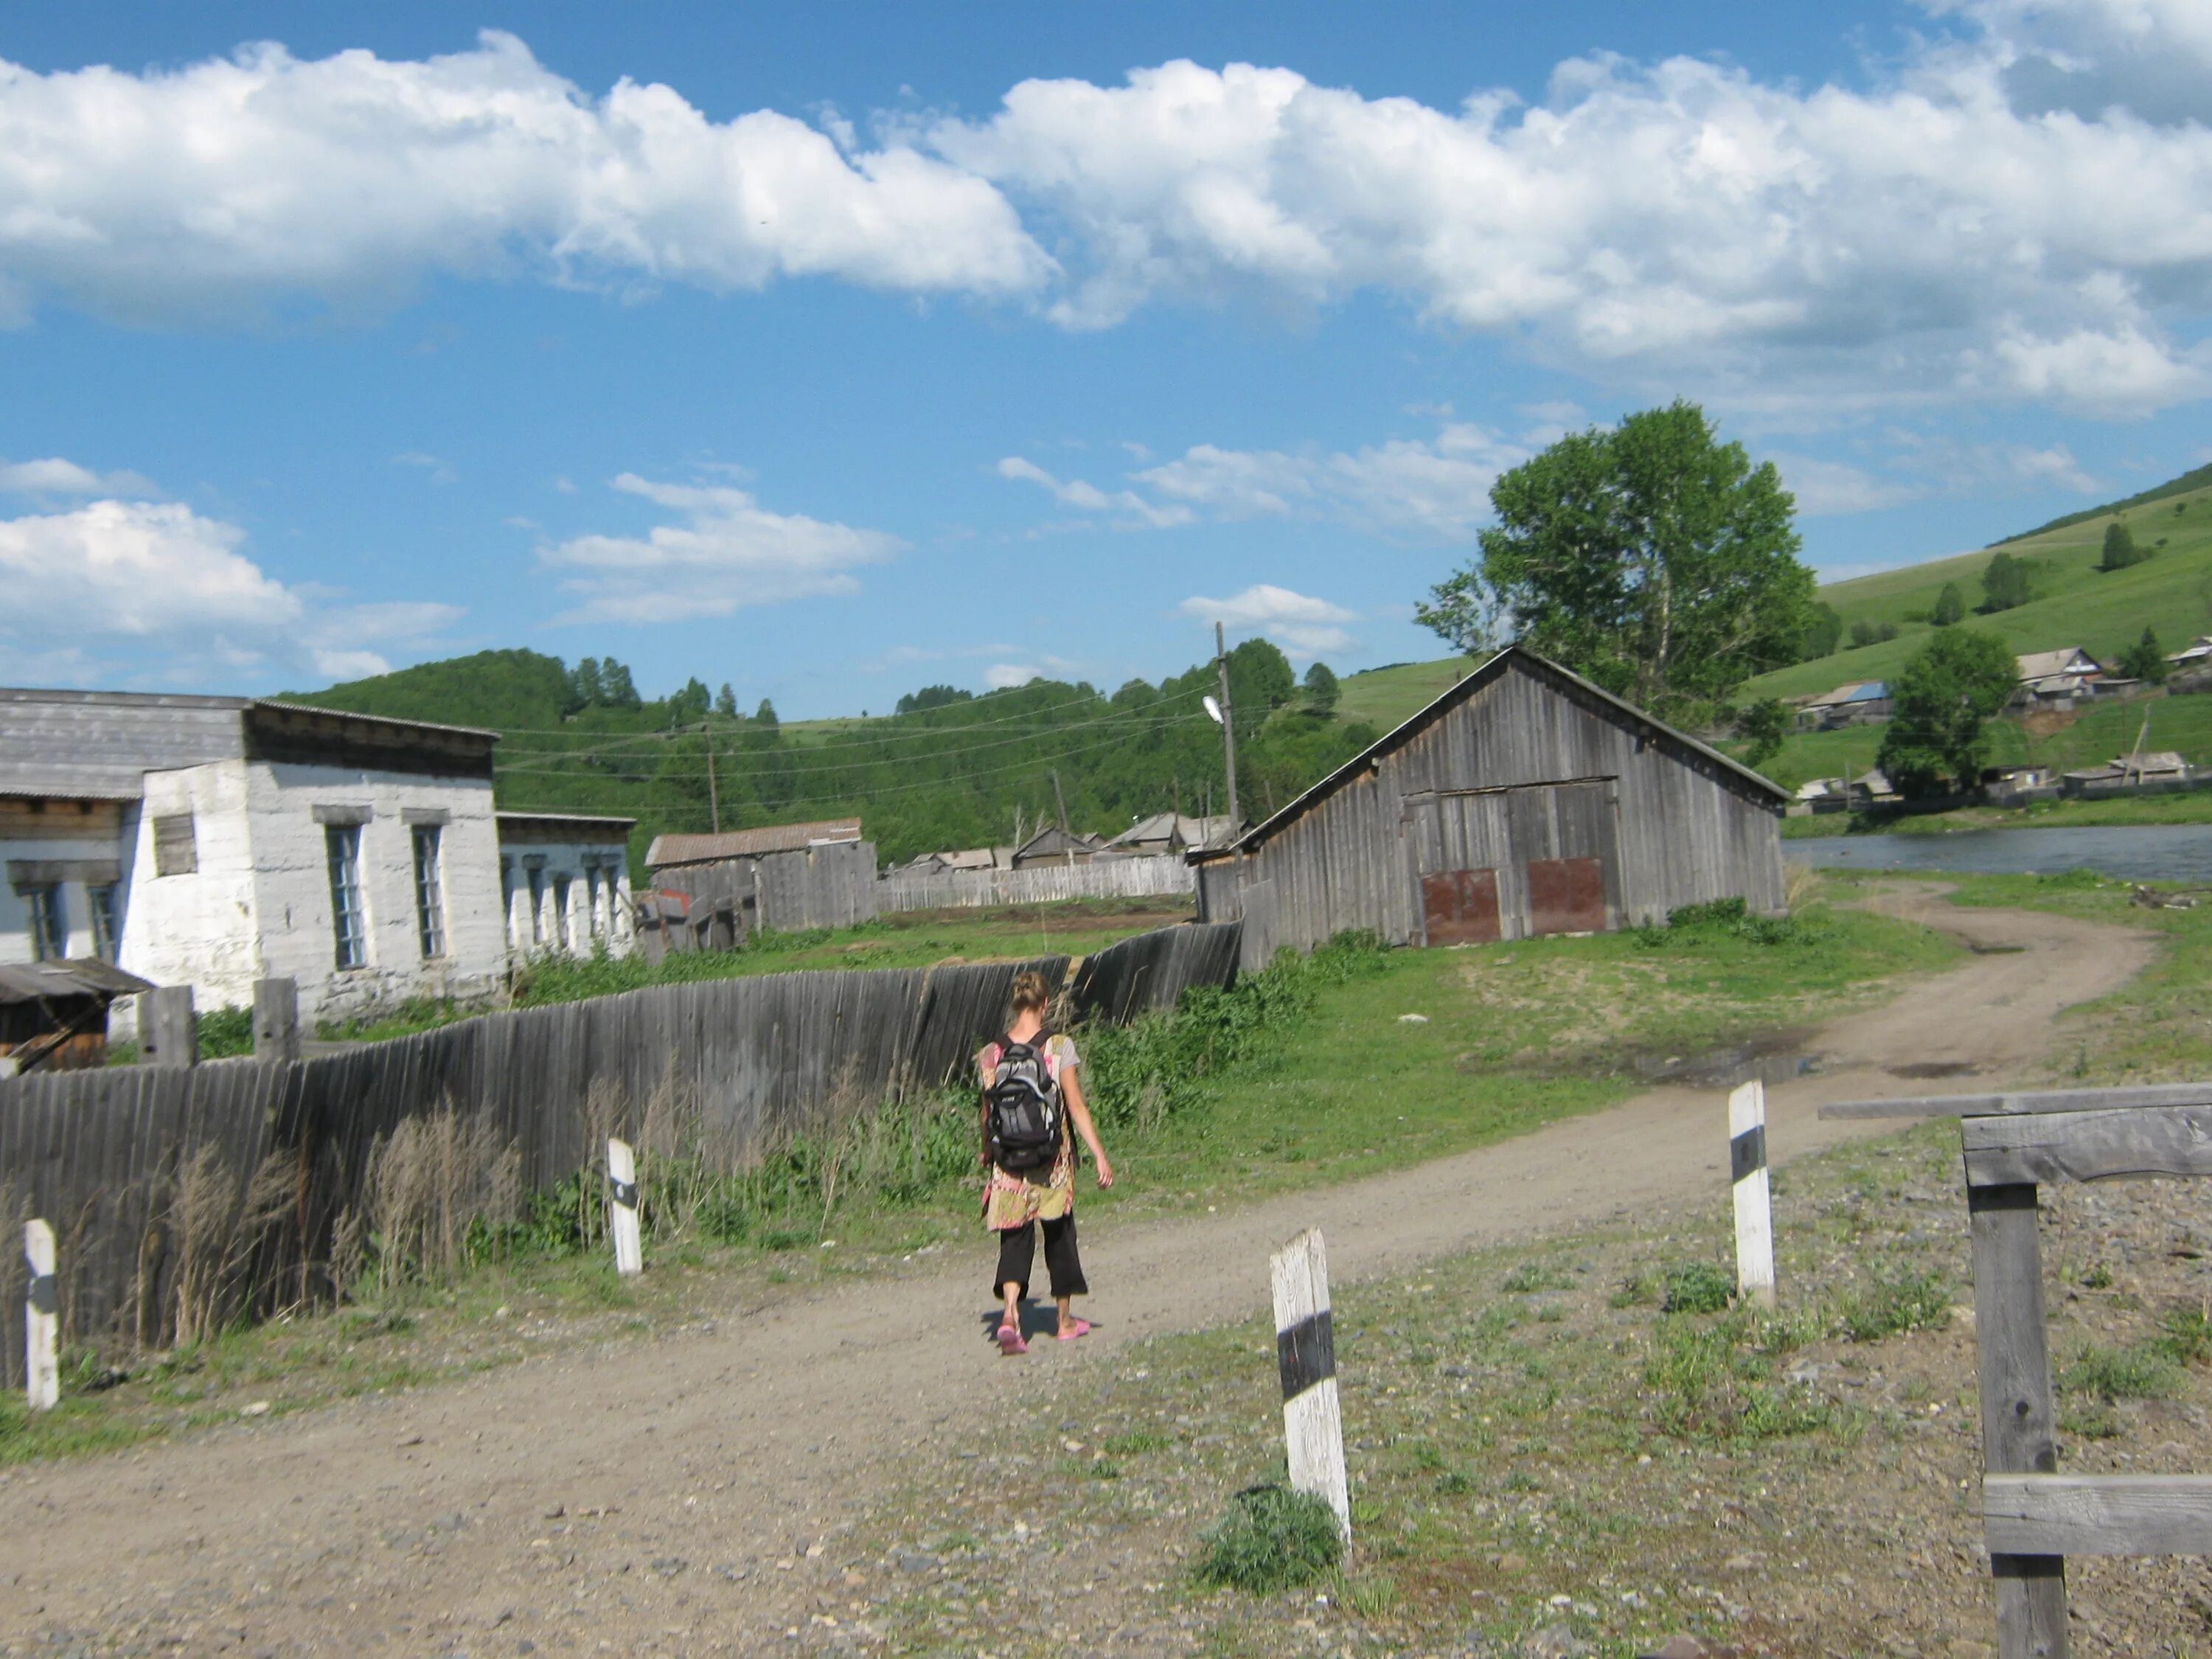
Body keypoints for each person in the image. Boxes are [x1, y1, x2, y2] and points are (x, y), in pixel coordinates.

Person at [978, 970, 1113, 1355]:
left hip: (1007, 1163)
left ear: (1015, 1004)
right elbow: (1075, 1106)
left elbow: (988, 1114)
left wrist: (989, 1152)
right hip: (1052, 1160)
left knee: (1014, 1238)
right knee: (1059, 1237)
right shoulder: (1058, 1048)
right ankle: (1065, 1321)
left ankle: (1009, 1317)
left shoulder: (991, 1053)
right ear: (1045, 1004)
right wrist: (1099, 1154)